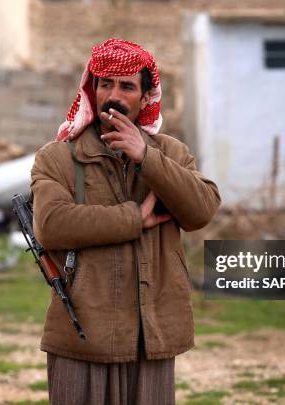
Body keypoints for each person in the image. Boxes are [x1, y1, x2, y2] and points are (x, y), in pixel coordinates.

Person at [30, 38, 221, 405]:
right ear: (93, 89)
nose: (114, 95)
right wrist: (133, 218)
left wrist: (146, 157)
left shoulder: (171, 154)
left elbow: (202, 210)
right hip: (83, 336)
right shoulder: (57, 158)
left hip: (152, 339)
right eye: (106, 84)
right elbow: (51, 224)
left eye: (127, 86)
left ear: (145, 96)